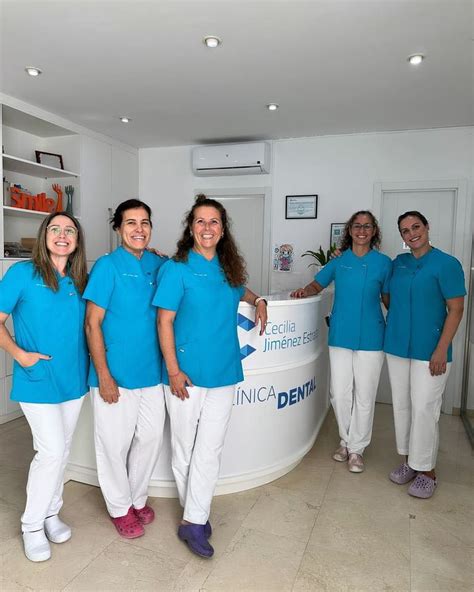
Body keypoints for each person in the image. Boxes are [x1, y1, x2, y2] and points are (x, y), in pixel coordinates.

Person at [153, 194, 267, 558]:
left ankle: (194, 519)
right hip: (184, 374)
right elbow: (164, 321)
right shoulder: (177, 269)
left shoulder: (226, 268)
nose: (207, 227)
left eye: (214, 221)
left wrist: (258, 300)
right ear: (191, 228)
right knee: (184, 448)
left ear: (222, 229)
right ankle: (195, 515)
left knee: (211, 448)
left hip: (223, 370)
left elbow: (239, 290)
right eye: (200, 221)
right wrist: (173, 370)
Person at [0, 212, 88, 562]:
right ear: (44, 235)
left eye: (69, 230)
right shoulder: (22, 273)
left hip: (73, 379)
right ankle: (32, 525)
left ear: (77, 240)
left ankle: (52, 512)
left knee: (62, 450)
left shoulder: (80, 279)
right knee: (50, 451)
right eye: (55, 229)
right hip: (37, 378)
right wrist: (20, 355)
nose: (62, 235)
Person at [84, 199, 167, 538]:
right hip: (114, 373)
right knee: (113, 445)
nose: (139, 229)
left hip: (151, 372)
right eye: (131, 223)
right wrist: (104, 375)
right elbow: (92, 323)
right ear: (118, 228)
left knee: (150, 438)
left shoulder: (159, 264)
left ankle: (136, 498)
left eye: (144, 222)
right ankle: (120, 508)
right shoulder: (107, 266)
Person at [291, 211, 391, 473]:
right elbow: (317, 285)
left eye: (367, 226)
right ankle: (346, 440)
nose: (361, 230)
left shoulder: (383, 263)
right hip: (341, 334)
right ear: (349, 230)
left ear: (374, 231)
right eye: (357, 226)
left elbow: (388, 299)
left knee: (365, 395)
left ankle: (357, 449)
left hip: (372, 336)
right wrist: (304, 292)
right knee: (339, 392)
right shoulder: (339, 261)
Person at [384, 211, 465, 498]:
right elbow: (387, 295)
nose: (412, 233)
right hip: (397, 346)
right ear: (402, 236)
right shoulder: (399, 263)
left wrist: (441, 348)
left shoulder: (447, 264)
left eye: (416, 227)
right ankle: (410, 461)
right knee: (402, 406)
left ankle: (427, 471)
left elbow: (456, 309)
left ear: (427, 227)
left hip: (431, 349)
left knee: (424, 408)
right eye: (405, 230)